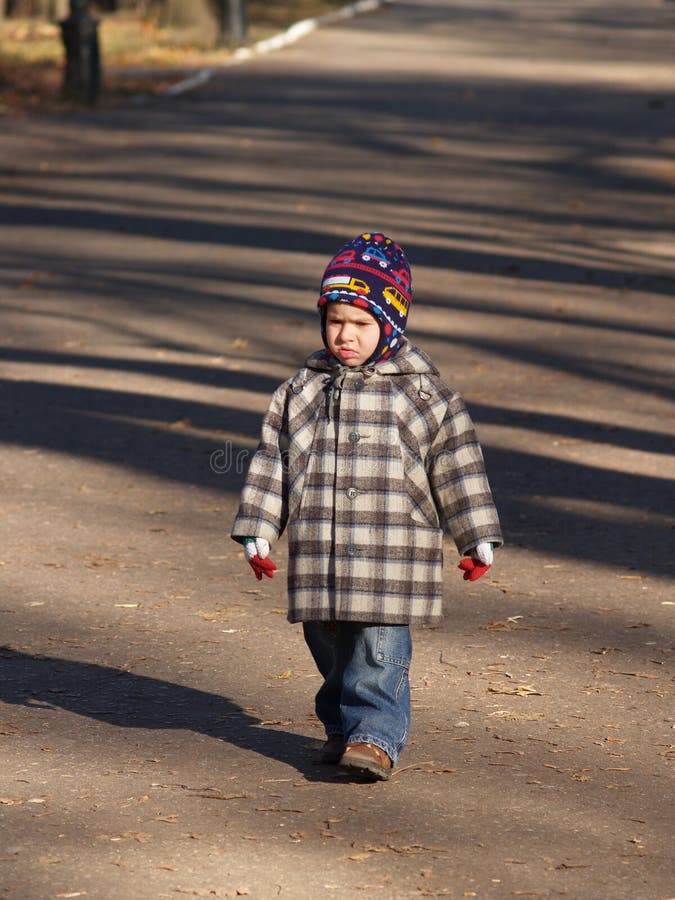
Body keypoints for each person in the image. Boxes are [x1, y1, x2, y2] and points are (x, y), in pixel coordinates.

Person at [231, 232, 503, 781]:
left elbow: (458, 466)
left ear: (391, 324)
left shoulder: (425, 396)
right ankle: (342, 725)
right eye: (335, 320)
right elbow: (274, 463)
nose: (345, 336)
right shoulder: (301, 391)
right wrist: (259, 528)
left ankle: (376, 735)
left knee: (377, 649)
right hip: (321, 548)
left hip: (390, 550)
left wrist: (476, 535)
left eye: (361, 323)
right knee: (328, 641)